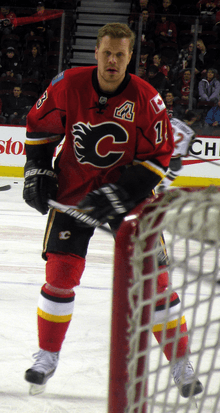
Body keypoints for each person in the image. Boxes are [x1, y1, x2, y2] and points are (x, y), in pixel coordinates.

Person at [22, 22, 203, 398]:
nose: (113, 60)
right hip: (73, 191)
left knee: (155, 283)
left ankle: (180, 362)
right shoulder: (67, 84)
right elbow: (40, 128)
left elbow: (158, 159)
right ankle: (47, 355)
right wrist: (37, 167)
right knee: (61, 273)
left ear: (130, 57)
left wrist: (120, 194)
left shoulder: (147, 97)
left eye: (120, 55)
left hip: (131, 200)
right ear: (96, 53)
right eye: (107, 53)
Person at [156, 111, 197, 192]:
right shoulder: (191, 133)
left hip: (159, 149)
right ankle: (163, 185)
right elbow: (184, 153)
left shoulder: (172, 120)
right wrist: (186, 154)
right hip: (172, 156)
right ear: (192, 120)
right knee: (177, 169)